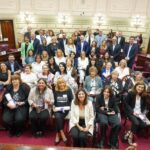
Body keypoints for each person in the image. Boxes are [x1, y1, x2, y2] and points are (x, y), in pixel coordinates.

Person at [124, 82, 148, 146]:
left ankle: (129, 132)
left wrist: (143, 113)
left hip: (140, 113)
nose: (140, 89)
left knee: (144, 125)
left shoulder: (144, 95)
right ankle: (130, 137)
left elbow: (145, 106)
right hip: (131, 112)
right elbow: (126, 104)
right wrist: (132, 112)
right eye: (139, 87)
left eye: (142, 88)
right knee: (136, 123)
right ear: (136, 86)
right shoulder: (131, 93)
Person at [53, 77, 73, 145]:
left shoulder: (68, 90)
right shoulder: (56, 91)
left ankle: (58, 134)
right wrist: (54, 107)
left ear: (65, 83)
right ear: (58, 84)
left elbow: (71, 100)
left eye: (63, 83)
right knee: (58, 116)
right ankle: (61, 132)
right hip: (58, 109)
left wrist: (68, 107)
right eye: (60, 83)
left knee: (58, 117)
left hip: (66, 109)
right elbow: (54, 101)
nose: (61, 84)